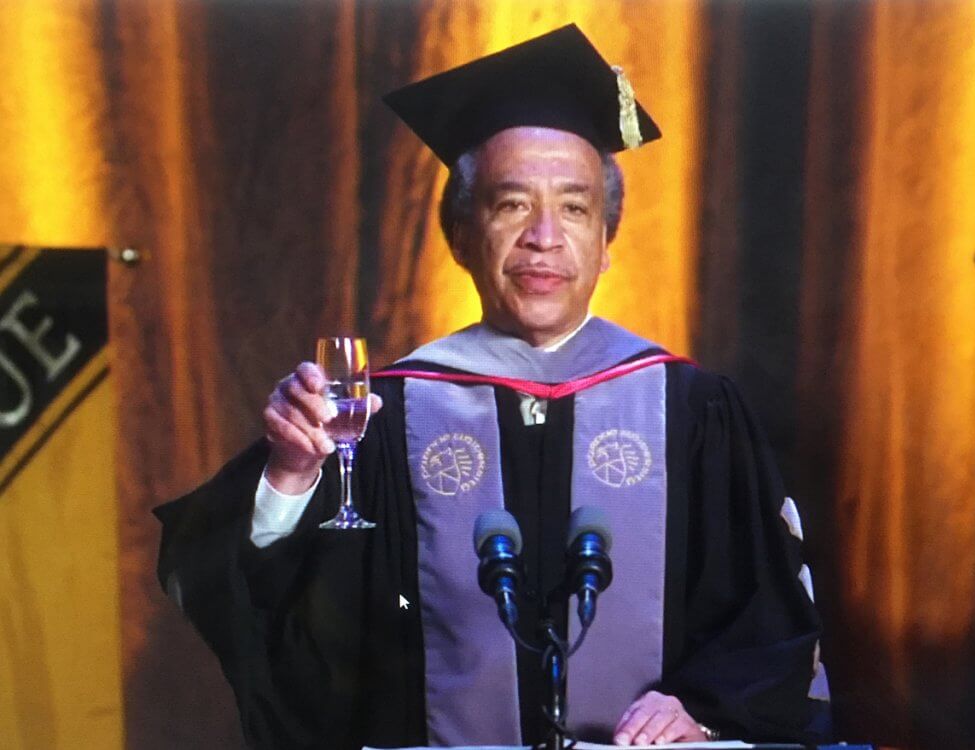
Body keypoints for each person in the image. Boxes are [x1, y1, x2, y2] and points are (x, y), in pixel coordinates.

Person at [155, 24, 830, 750]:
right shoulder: (389, 414)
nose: (544, 236)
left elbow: (770, 613)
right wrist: (291, 474)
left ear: (606, 245)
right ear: (460, 236)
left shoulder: (690, 409)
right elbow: (270, 611)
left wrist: (702, 704)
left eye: (574, 208)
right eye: (512, 204)